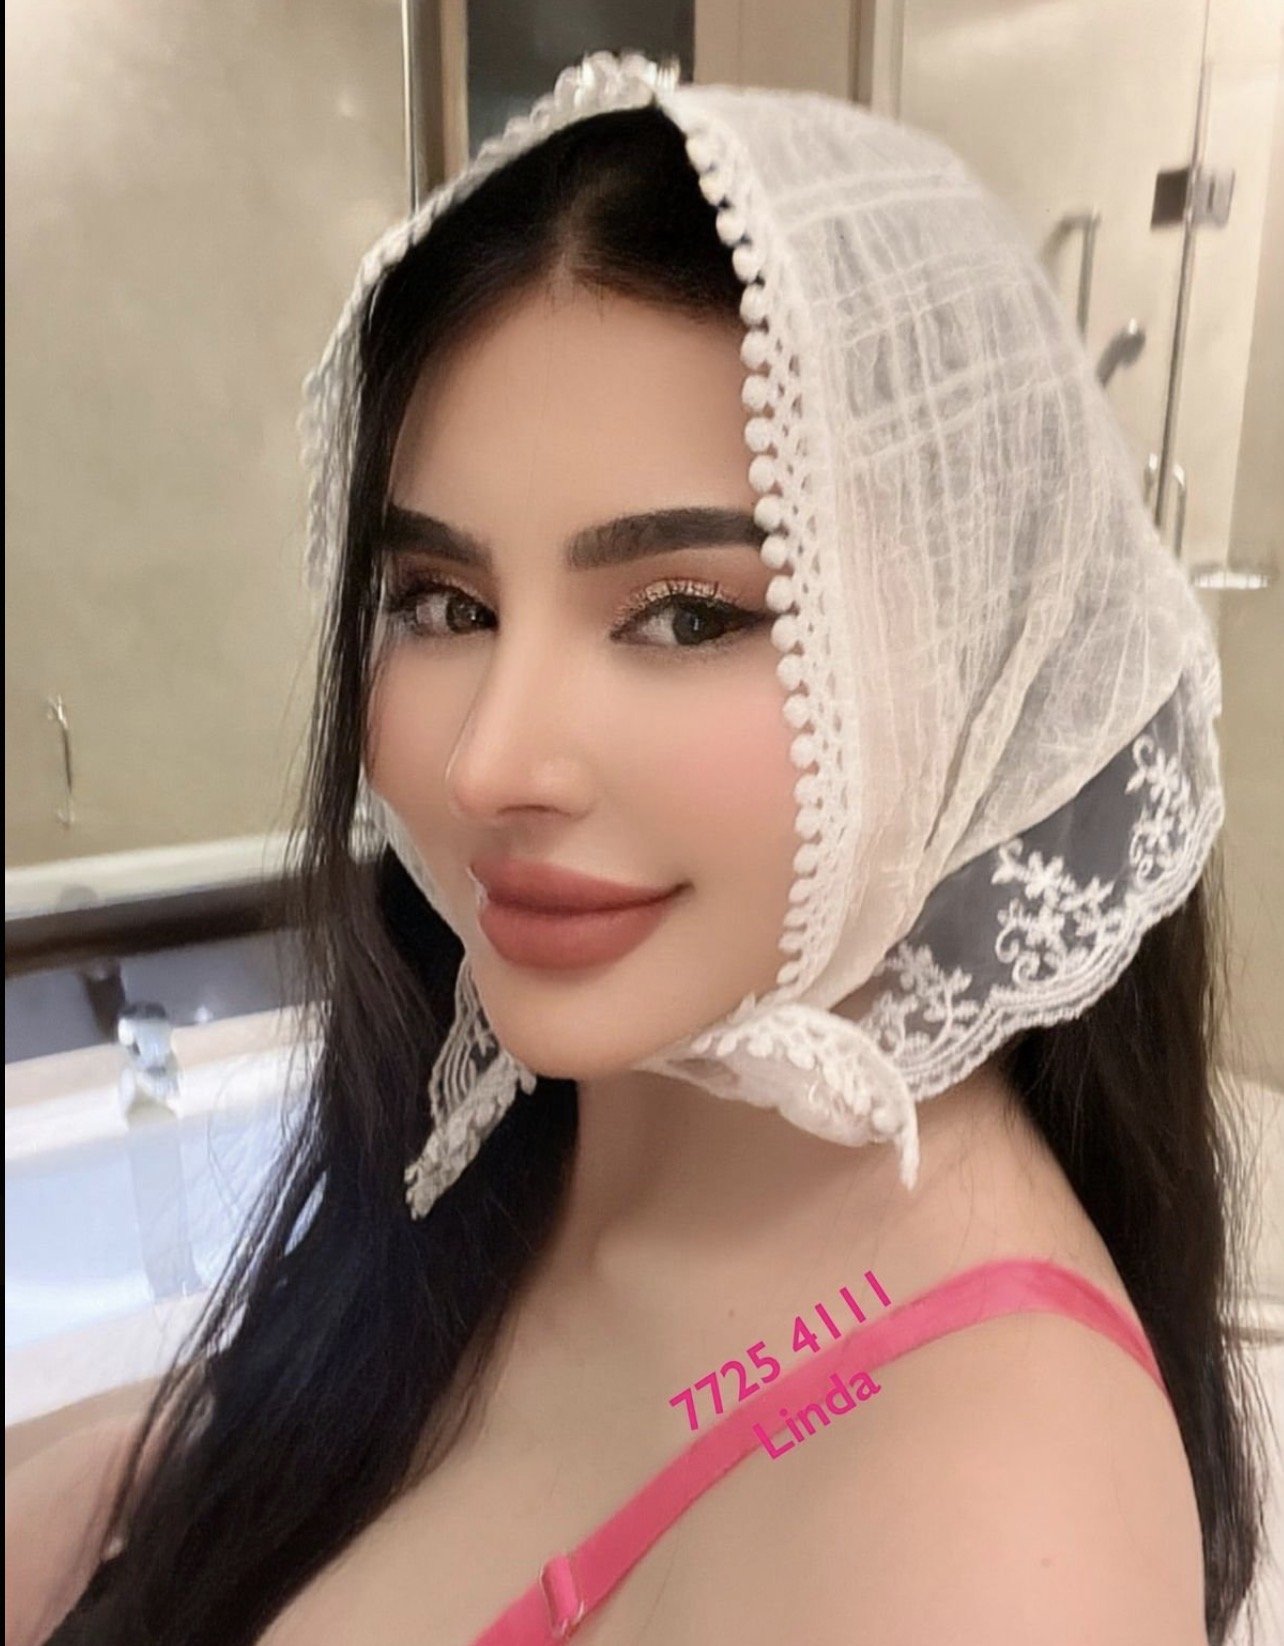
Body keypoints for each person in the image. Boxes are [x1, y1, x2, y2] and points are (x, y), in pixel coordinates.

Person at [9, 51, 1266, 1646]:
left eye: (683, 615)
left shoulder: (983, 1539)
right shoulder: (502, 1147)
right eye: (444, 603)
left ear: (974, 656)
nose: (489, 762)